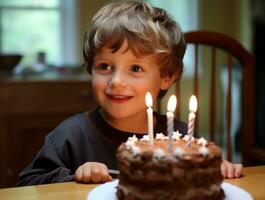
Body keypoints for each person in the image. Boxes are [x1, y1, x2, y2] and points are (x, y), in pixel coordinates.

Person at [17, 0, 242, 186]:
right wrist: (73, 177)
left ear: (167, 77)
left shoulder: (183, 139)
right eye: (104, 67)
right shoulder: (70, 136)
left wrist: (219, 168)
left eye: (135, 68)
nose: (116, 81)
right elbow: (27, 185)